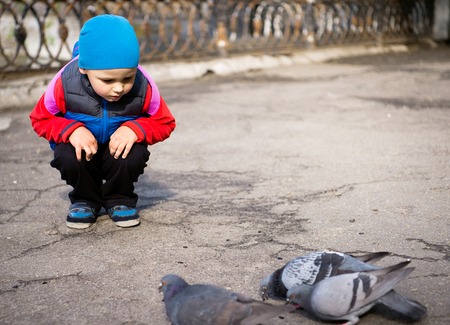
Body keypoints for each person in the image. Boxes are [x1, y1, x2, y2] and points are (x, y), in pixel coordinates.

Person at [30, 14, 176, 229]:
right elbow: (40, 118)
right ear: (84, 69)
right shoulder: (65, 82)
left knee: (133, 153)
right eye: (107, 80)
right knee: (67, 155)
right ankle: (85, 199)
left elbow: (165, 122)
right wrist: (71, 130)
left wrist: (136, 129)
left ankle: (119, 197)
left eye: (128, 78)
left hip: (116, 149)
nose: (119, 88)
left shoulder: (144, 85)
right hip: (82, 147)